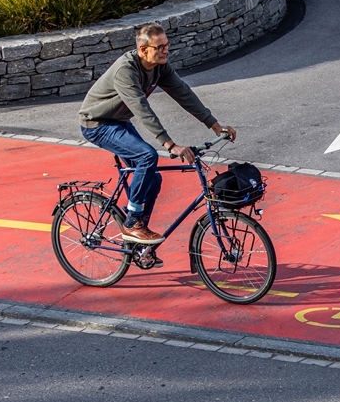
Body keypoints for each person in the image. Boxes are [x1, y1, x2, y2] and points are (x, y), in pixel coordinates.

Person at [78, 22, 237, 246]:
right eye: (160, 47)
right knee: (147, 156)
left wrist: (215, 125)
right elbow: (141, 108)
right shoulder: (126, 70)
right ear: (143, 49)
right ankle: (132, 223)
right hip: (97, 124)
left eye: (167, 45)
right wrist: (170, 145)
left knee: (153, 176)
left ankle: (137, 232)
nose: (166, 50)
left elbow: (183, 93)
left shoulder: (160, 66)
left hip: (119, 122)